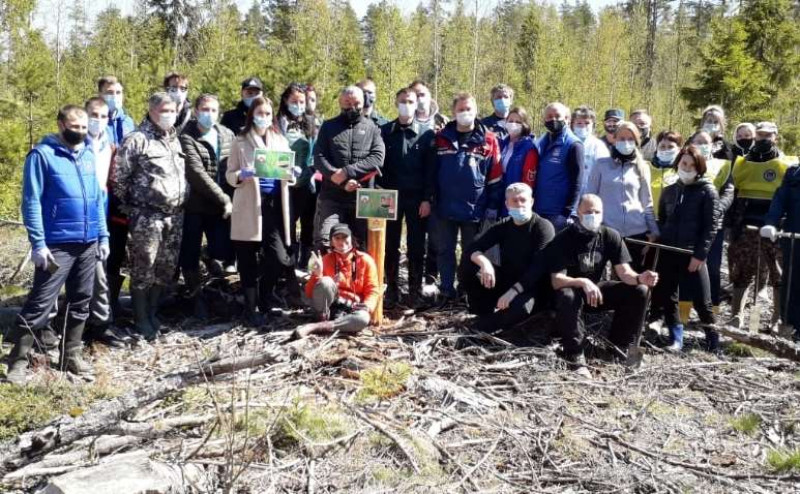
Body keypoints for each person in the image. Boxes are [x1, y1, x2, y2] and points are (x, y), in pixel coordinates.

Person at [6, 105, 108, 385]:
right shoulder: (42, 155)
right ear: (61, 124)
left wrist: (103, 236)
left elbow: (97, 199)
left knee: (81, 300)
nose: (81, 132)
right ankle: (17, 361)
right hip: (57, 244)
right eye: (75, 127)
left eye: (84, 127)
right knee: (40, 303)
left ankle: (70, 355)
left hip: (87, 242)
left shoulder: (88, 154)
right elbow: (31, 202)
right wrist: (38, 243)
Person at [550, 194, 658, 377]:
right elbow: (556, 280)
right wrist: (583, 282)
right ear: (578, 213)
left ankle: (619, 346)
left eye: (597, 212)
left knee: (639, 291)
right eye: (588, 212)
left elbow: (624, 272)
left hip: (596, 292)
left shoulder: (610, 235)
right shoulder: (564, 238)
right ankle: (575, 355)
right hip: (570, 291)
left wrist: (641, 278)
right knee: (567, 295)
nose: (593, 215)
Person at [114, 92, 188, 340]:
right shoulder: (137, 139)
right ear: (152, 110)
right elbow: (119, 179)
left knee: (165, 269)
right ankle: (140, 317)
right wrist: (135, 210)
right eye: (164, 111)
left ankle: (153, 313)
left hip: (175, 216)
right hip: (147, 217)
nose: (169, 115)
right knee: (143, 268)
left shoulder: (174, 139)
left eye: (172, 111)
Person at [226, 96, 299, 325]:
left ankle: (265, 298)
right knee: (247, 257)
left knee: (278, 257)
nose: (264, 118)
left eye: (268, 114)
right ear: (251, 115)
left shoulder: (279, 139)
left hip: (275, 205)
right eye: (260, 113)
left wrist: (292, 173)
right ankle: (250, 307)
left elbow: (287, 172)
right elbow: (229, 175)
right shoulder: (240, 140)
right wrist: (241, 174)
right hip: (249, 204)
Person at [720, 122, 798, 330]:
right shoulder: (741, 163)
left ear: (775, 137)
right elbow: (732, 192)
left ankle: (777, 319)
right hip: (746, 225)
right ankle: (738, 316)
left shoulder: (787, 164)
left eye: (767, 136)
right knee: (742, 270)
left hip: (775, 226)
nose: (763, 139)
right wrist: (731, 225)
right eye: (759, 135)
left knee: (778, 274)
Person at [432, 91, 502, 300]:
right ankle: (446, 289)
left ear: (476, 110)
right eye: (460, 109)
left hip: (475, 208)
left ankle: (466, 289)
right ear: (453, 112)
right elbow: (432, 172)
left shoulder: (489, 140)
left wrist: (492, 206)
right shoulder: (441, 138)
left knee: (471, 252)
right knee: (445, 250)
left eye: (468, 109)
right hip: (444, 206)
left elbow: (495, 175)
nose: (465, 113)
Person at [651, 146, 720, 352]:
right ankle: (676, 339)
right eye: (684, 163)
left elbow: (711, 226)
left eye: (692, 165)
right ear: (678, 163)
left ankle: (713, 340)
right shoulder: (670, 190)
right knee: (669, 297)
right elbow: (663, 219)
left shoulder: (707, 191)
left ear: (699, 167)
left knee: (702, 301)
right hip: (669, 251)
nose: (687, 168)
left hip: (692, 254)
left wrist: (700, 255)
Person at [461, 183, 555, 332]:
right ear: (507, 204)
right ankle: (480, 311)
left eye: (523, 200)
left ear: (531, 202)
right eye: (514, 201)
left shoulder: (543, 227)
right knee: (470, 264)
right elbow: (472, 248)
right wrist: (485, 263)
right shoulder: (504, 225)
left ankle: (480, 327)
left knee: (521, 309)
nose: (519, 204)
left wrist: (514, 291)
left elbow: (538, 268)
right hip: (506, 280)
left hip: (530, 288)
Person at [178, 94, 234, 319]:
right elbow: (196, 173)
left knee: (221, 249)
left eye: (213, 110)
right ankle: (195, 297)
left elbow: (233, 165)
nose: (208, 114)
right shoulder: (186, 136)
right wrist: (224, 198)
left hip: (220, 207)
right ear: (196, 110)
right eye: (204, 109)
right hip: (195, 205)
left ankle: (216, 291)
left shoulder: (227, 134)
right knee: (189, 252)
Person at [379, 88, 436, 306]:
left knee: (416, 246)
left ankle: (415, 290)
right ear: (396, 102)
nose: (406, 104)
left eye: (410, 101)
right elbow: (378, 164)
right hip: (389, 197)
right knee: (389, 244)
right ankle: (391, 289)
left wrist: (427, 199)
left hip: (416, 198)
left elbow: (431, 170)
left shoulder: (426, 134)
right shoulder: (384, 131)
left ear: (417, 104)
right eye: (402, 101)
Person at [313, 85, 385, 250]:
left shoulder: (373, 128)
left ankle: (358, 276)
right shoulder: (328, 127)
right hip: (332, 196)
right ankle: (327, 275)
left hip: (363, 198)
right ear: (340, 102)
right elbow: (319, 157)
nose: (351, 107)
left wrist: (347, 172)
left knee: (361, 245)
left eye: (356, 102)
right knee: (326, 240)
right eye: (347, 102)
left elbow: (377, 158)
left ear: (363, 103)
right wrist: (335, 176)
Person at [82, 97, 127, 349]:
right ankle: (58, 327)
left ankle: (99, 325)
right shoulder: (75, 145)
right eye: (93, 115)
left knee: (102, 269)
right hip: (76, 215)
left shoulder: (109, 147)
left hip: (103, 214)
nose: (98, 120)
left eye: (103, 116)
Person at [586, 121, 658, 271]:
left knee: (630, 279)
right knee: (595, 274)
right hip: (606, 231)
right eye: (622, 138)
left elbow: (647, 202)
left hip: (636, 232)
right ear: (614, 139)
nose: (626, 142)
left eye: (630, 139)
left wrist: (653, 231)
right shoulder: (601, 164)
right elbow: (590, 198)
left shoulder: (643, 167)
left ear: (637, 141)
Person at [293, 224, 380, 339]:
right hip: (327, 309)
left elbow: (373, 289)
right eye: (337, 238)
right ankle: (323, 321)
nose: (341, 241)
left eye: (345, 237)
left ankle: (316, 327)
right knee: (326, 282)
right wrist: (317, 275)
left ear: (352, 239)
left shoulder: (365, 260)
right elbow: (309, 294)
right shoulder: (324, 260)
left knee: (363, 318)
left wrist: (368, 306)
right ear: (332, 242)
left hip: (351, 309)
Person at [98, 76, 135, 318]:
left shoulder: (129, 121)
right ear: (100, 94)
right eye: (110, 92)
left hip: (122, 198)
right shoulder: (93, 120)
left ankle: (112, 302)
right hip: (99, 198)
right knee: (99, 252)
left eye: (119, 92)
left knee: (118, 250)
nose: (115, 97)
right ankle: (94, 305)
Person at [278, 83, 316, 268]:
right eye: (294, 101)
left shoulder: (310, 122)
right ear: (285, 100)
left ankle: (305, 259)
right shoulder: (277, 123)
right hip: (284, 183)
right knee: (288, 223)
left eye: (302, 101)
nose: (298, 105)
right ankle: (289, 262)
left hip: (306, 182)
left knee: (308, 222)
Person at [762, 164, 800, 339]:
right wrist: (771, 222)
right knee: (792, 283)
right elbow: (780, 200)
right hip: (794, 239)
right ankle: (790, 327)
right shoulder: (794, 174)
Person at [534, 102, 584, 231]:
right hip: (538, 209)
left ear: (567, 119)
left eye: (557, 116)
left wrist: (566, 212)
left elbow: (577, 182)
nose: (553, 119)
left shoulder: (573, 145)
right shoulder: (541, 142)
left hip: (558, 214)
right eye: (549, 116)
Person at [571, 105, 610, 192]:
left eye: (587, 123)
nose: (583, 126)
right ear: (572, 124)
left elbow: (604, 173)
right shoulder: (567, 143)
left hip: (591, 194)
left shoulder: (598, 146)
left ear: (593, 125)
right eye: (579, 123)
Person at [649, 131, 682, 216]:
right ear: (657, 148)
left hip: (673, 223)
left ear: (679, 149)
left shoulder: (683, 171)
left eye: (670, 147)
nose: (666, 150)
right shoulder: (646, 168)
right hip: (649, 222)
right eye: (662, 146)